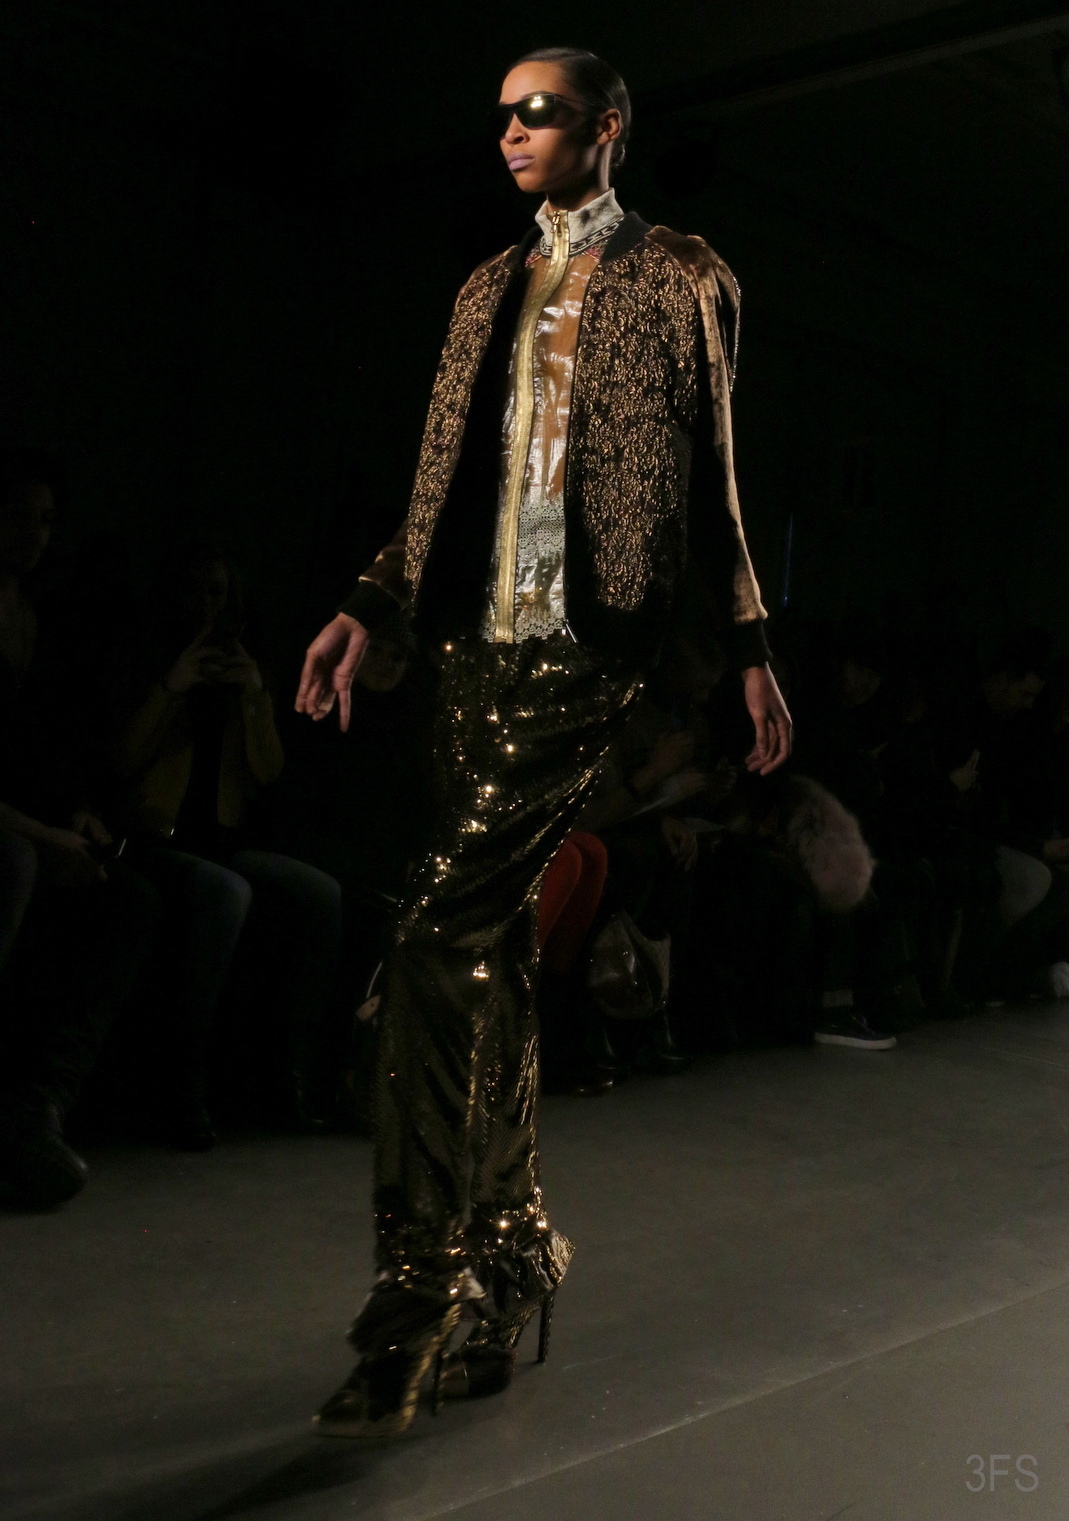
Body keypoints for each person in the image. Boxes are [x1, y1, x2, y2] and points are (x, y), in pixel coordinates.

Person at [296, 47, 791, 1438]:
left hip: (591, 646)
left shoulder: (678, 273)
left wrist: (751, 646)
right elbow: (436, 478)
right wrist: (368, 604)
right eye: (501, 115)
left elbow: (718, 475)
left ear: (607, 127)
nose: (511, 132)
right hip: (473, 649)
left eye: (539, 111)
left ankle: (417, 1293)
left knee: (430, 929)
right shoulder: (483, 288)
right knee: (492, 947)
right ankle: (515, 1260)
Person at [116, 546, 342, 1145]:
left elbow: (268, 771)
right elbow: (121, 764)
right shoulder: (147, 661)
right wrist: (171, 687)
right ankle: (182, 1090)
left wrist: (254, 695)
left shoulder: (240, 669)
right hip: (152, 836)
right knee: (226, 893)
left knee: (319, 894)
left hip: (223, 839)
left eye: (217, 592)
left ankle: (286, 1079)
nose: (206, 604)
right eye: (196, 590)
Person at [0, 449, 159, 1206]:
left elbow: (39, 747)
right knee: (16, 866)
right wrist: (42, 835)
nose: (35, 533)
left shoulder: (39, 620)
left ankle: (37, 1108)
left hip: (30, 818)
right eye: (18, 515)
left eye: (46, 520)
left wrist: (73, 814)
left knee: (129, 898)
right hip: (11, 835)